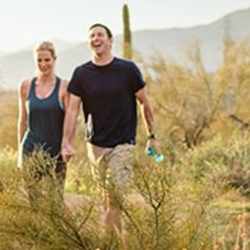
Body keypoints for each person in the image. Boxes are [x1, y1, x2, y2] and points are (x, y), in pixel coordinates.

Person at [61, 22, 160, 229]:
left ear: (110, 41)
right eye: (92, 36)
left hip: (123, 143)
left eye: (100, 35)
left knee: (115, 196)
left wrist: (152, 136)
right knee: (106, 198)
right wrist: (66, 142)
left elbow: (145, 103)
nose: (96, 39)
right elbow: (72, 110)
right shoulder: (81, 73)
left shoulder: (128, 70)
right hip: (95, 145)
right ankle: (117, 244)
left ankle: (106, 247)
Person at [17, 40, 69, 180]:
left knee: (55, 199)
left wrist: (66, 145)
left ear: (54, 59)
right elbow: (23, 121)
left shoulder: (64, 87)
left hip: (56, 153)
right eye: (39, 60)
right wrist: (20, 153)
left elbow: (69, 122)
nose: (43, 64)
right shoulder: (25, 86)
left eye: (47, 60)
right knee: (33, 200)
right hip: (30, 151)